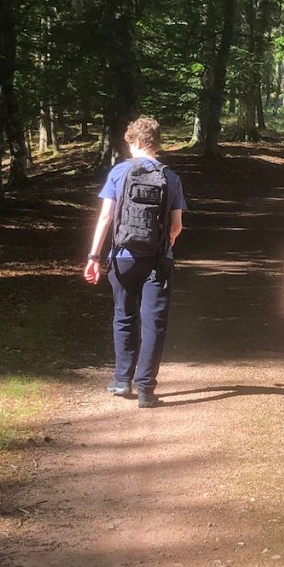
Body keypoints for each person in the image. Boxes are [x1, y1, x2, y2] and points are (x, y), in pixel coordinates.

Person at [84, 117, 186, 408]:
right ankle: (146, 390)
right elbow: (177, 226)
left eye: (129, 143)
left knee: (124, 316)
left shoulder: (119, 172)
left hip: (123, 257)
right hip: (158, 260)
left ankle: (120, 380)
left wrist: (93, 256)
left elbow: (105, 217)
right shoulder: (171, 177)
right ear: (155, 143)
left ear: (136, 142)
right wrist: (163, 245)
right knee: (154, 324)